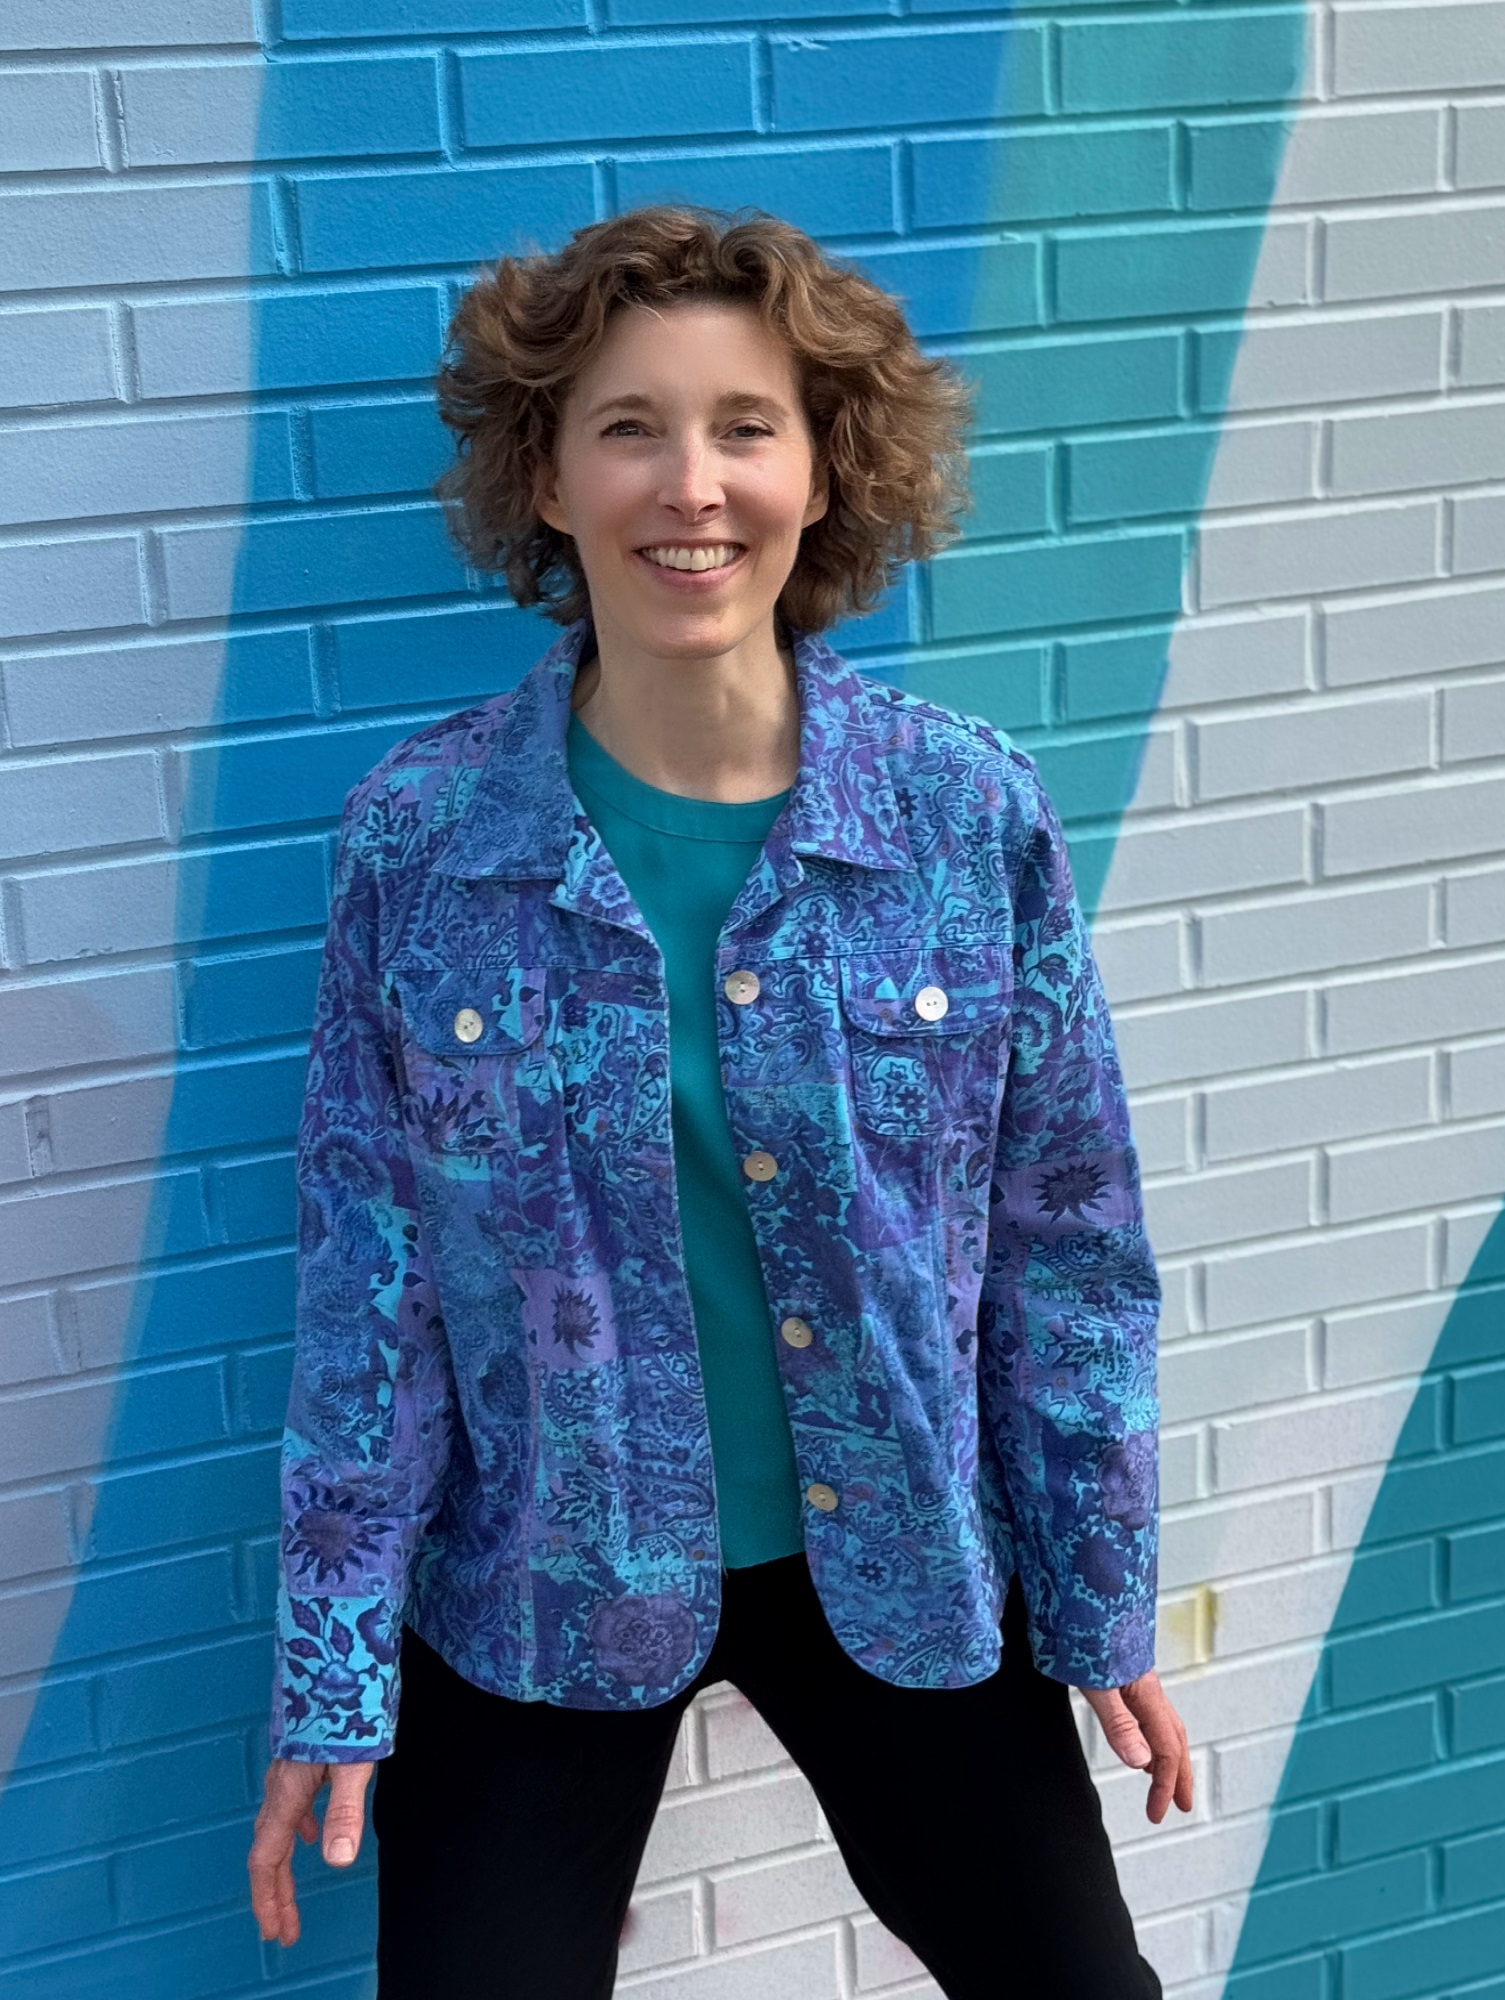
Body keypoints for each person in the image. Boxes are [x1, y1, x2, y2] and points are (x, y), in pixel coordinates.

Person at [247, 205, 1191, 1998]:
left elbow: (1066, 1247)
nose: (694, 485)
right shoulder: (422, 845)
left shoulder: (961, 820)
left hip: (902, 1565)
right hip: (543, 1579)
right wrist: (337, 1675)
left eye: (747, 425)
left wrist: (1096, 1594)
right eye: (629, 426)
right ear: (546, 476)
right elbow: (368, 1302)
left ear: (825, 470)